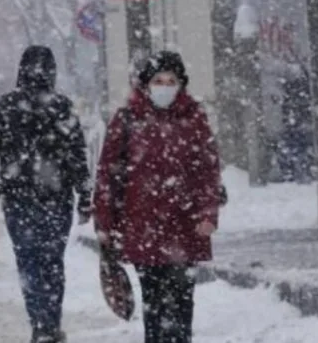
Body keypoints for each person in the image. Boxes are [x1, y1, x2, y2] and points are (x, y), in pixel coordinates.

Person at [93, 51, 222, 342]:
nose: (165, 86)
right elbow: (108, 176)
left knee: (182, 303)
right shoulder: (127, 119)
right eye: (158, 80)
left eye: (171, 80)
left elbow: (208, 171)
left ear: (181, 84)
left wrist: (208, 214)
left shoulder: (194, 118)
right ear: (146, 84)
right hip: (144, 227)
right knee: (154, 304)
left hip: (184, 225)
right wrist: (105, 223)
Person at [0, 46, 91, 343]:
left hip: (18, 199)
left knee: (28, 262)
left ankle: (39, 322)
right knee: (52, 262)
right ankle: (50, 320)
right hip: (55, 199)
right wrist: (84, 195)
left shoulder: (2, 108)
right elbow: (76, 156)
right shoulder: (61, 107)